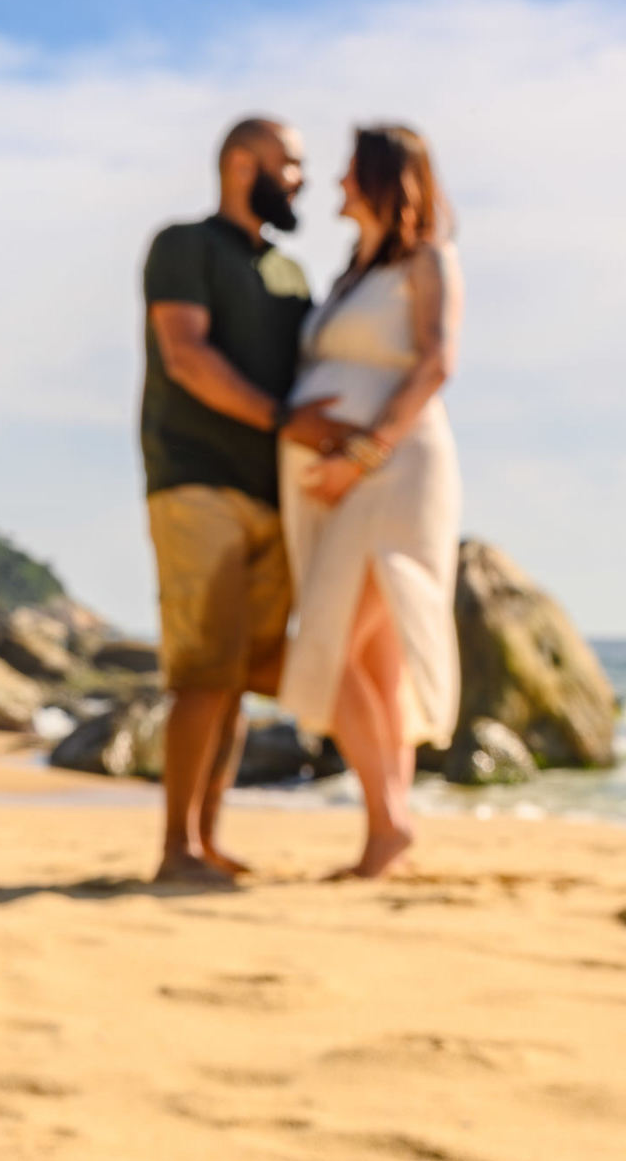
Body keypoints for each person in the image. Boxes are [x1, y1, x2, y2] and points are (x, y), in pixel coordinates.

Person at [140, 116, 355, 886]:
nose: (299, 177)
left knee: (236, 678)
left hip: (277, 499)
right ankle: (175, 849)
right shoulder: (184, 246)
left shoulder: (293, 274)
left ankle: (206, 837)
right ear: (240, 162)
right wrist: (281, 419)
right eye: (289, 162)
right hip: (196, 482)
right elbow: (185, 354)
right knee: (202, 670)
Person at [278, 124, 462, 878]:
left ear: (386, 179)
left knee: (335, 639)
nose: (337, 184)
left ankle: (391, 823)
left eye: (351, 171)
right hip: (336, 482)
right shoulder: (353, 273)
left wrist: (360, 454)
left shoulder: (428, 259)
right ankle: (386, 833)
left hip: (395, 471)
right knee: (374, 662)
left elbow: (437, 362)